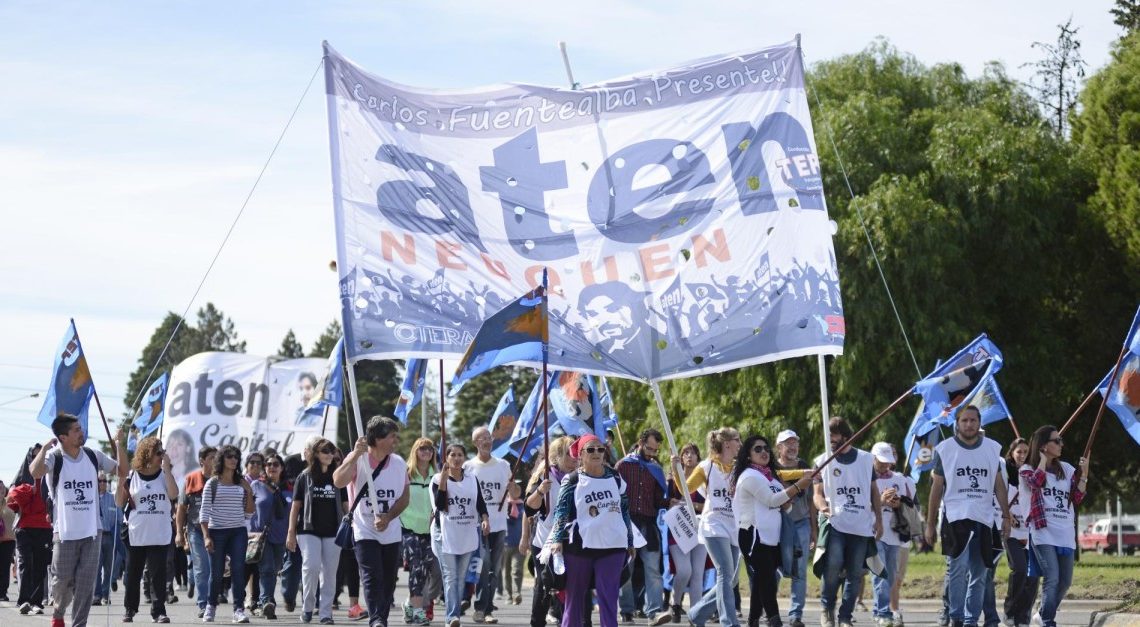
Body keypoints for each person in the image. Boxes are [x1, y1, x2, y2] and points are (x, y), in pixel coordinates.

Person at [31, 414, 126, 627]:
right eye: (76, 430)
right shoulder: (54, 458)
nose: (81, 432)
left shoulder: (93, 455)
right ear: (63, 437)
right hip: (64, 532)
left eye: (80, 428)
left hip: (93, 531)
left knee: (85, 584)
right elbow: (35, 472)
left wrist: (119, 445)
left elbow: (122, 471)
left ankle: (79, 624)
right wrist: (45, 448)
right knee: (62, 582)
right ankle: (58, 612)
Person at [924, 406, 1011, 627]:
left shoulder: (992, 449)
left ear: (979, 422)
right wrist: (930, 524)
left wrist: (1006, 516)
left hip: (984, 517)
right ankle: (956, 617)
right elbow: (936, 489)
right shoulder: (945, 449)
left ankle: (971, 619)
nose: (969, 424)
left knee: (980, 573)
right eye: (964, 420)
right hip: (956, 518)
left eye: (973, 420)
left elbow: (999, 485)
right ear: (957, 423)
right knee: (957, 569)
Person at [549, 433, 636, 627]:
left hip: (613, 546)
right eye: (591, 449)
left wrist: (630, 541)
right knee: (575, 599)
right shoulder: (572, 480)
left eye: (600, 449)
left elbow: (624, 510)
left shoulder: (615, 476)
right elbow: (561, 512)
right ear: (580, 454)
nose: (596, 453)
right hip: (580, 546)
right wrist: (557, 539)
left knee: (609, 599)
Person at [333, 416, 411, 627]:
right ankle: (376, 619)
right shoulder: (358, 459)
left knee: (387, 581)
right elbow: (338, 481)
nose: (396, 440)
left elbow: (404, 498)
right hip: (364, 530)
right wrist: (354, 455)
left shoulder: (398, 463)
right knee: (371, 576)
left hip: (391, 531)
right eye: (391, 436)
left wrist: (388, 517)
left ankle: (381, 618)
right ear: (376, 438)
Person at [734, 435, 814, 627]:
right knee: (768, 579)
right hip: (753, 535)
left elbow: (786, 508)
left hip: (772, 538)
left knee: (762, 581)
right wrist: (797, 486)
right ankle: (774, 620)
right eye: (758, 449)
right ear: (748, 456)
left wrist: (787, 502)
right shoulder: (749, 477)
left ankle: (753, 621)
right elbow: (771, 500)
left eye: (766, 448)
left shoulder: (771, 477)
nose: (764, 452)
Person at [813, 417, 882, 627]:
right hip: (835, 523)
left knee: (855, 572)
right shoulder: (822, 460)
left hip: (860, 524)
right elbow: (816, 494)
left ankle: (845, 616)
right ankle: (827, 608)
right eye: (827, 436)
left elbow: (873, 491)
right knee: (832, 567)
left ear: (845, 435)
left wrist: (878, 518)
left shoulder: (865, 459)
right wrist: (823, 507)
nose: (829, 440)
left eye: (832, 436)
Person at [1021, 426, 1087, 627]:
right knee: (1052, 577)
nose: (1061, 444)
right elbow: (1036, 482)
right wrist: (1041, 460)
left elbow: (1077, 497)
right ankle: (1047, 620)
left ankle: (1041, 614)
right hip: (1043, 532)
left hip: (1065, 531)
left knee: (1065, 581)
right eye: (1056, 441)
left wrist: (1083, 474)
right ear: (1043, 446)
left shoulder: (1066, 469)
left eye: (1061, 440)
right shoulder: (1027, 469)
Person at [118, 435, 179, 623]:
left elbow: (174, 494)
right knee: (133, 573)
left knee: (158, 575)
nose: (162, 456)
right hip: (137, 533)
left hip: (159, 532)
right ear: (147, 454)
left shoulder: (164, 475)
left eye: (163, 452)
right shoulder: (133, 476)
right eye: (158, 453)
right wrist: (121, 482)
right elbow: (120, 502)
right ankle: (130, 609)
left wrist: (167, 470)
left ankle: (159, 611)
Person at [616, 429, 673, 626]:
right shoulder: (622, 466)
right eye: (649, 448)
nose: (651, 453)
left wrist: (669, 502)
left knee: (653, 571)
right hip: (627, 524)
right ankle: (627, 610)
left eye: (655, 450)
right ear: (640, 442)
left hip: (648, 524)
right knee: (626, 569)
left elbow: (658, 501)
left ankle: (654, 612)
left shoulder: (655, 469)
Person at [287, 437, 347, 625]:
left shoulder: (338, 476)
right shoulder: (304, 476)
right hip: (307, 529)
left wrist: (351, 524)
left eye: (331, 452)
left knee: (329, 573)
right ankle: (307, 606)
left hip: (333, 530)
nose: (330, 455)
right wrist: (290, 532)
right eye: (325, 451)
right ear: (316, 455)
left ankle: (325, 613)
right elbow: (295, 507)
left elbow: (346, 504)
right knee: (311, 567)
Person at [686, 428, 741, 627]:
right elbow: (687, 489)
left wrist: (803, 474)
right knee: (725, 573)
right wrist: (676, 470)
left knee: (731, 580)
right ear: (727, 444)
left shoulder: (738, 467)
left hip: (733, 527)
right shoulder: (706, 466)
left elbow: (774, 474)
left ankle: (696, 614)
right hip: (713, 525)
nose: (740, 444)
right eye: (737, 440)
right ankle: (729, 622)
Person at [432, 443, 491, 627]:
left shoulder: (472, 479)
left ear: (464, 458)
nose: (456, 458)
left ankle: (454, 613)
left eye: (460, 455)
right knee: (450, 576)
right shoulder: (436, 479)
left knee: (460, 576)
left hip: (466, 533)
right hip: (445, 535)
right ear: (446, 458)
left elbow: (480, 503)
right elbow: (440, 506)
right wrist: (443, 482)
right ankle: (452, 617)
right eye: (452, 455)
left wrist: (485, 519)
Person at [522, 437, 576, 627]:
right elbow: (529, 508)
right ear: (558, 456)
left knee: (571, 585)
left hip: (571, 541)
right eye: (570, 454)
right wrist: (540, 492)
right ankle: (537, 623)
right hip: (545, 543)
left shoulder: (579, 477)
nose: (575, 459)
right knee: (545, 585)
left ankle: (567, 621)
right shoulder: (546, 476)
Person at [200, 444, 256, 624]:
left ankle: (238, 609)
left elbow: (249, 513)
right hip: (217, 532)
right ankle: (210, 605)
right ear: (221, 459)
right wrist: (207, 536)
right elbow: (204, 512)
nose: (233, 460)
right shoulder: (212, 483)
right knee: (216, 573)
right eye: (229, 456)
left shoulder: (241, 482)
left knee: (239, 570)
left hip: (238, 531)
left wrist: (249, 491)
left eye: (236, 457)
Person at [464, 426, 513, 625]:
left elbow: (515, 494)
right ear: (475, 443)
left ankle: (486, 608)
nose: (487, 440)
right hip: (476, 525)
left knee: (494, 569)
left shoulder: (503, 465)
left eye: (489, 437)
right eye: (482, 438)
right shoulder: (468, 467)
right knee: (483, 567)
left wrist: (514, 487)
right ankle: (479, 607)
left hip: (499, 524)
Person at [773, 430, 815, 627]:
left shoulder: (805, 467)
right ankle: (770, 611)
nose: (792, 447)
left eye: (794, 443)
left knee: (799, 571)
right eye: (787, 443)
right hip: (777, 524)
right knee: (774, 569)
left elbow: (811, 501)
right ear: (778, 447)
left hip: (801, 524)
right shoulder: (771, 469)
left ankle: (795, 615)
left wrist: (814, 529)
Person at [8, 444, 53, 615]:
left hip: (44, 528)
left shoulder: (50, 477)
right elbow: (12, 500)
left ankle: (36, 602)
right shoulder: (22, 478)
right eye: (34, 456)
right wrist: (29, 491)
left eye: (40, 456)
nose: (37, 459)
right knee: (26, 564)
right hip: (24, 528)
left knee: (41, 566)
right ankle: (24, 601)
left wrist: (33, 496)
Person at [402, 437, 441, 626]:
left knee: (429, 572)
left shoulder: (438, 476)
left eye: (430, 449)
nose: (426, 452)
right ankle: (419, 611)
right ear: (415, 451)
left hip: (430, 531)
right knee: (417, 568)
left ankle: (410, 604)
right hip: (408, 529)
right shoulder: (407, 473)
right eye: (422, 448)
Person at [176, 446, 218, 619]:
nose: (215, 460)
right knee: (202, 568)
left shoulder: (222, 480)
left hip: (217, 531)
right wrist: (179, 532)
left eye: (217, 457)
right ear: (202, 461)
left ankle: (211, 599)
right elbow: (181, 509)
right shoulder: (190, 480)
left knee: (215, 569)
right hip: (196, 531)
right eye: (211, 457)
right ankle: (204, 604)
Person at [869, 442, 908, 627]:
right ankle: (884, 612)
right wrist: (881, 502)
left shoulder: (899, 478)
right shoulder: (865, 477)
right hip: (873, 531)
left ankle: (878, 611)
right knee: (880, 572)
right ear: (873, 458)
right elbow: (860, 505)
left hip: (894, 533)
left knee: (891, 575)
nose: (886, 465)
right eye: (882, 461)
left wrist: (897, 502)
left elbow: (908, 504)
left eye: (889, 462)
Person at [666, 442, 706, 623]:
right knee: (684, 571)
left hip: (699, 528)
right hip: (679, 529)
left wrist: (697, 506)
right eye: (685, 453)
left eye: (693, 453)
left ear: (698, 457)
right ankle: (675, 602)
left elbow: (712, 503)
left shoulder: (704, 477)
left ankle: (695, 613)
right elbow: (665, 500)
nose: (689, 456)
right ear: (680, 457)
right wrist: (671, 502)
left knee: (698, 573)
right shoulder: (673, 478)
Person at [1002, 438, 1037, 627]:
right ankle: (1010, 611)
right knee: (1021, 570)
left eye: (1026, 452)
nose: (1022, 455)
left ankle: (1023, 616)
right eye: (1019, 452)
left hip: (1031, 532)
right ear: (1012, 453)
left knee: (1033, 576)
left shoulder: (1033, 475)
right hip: (1012, 532)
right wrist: (1006, 515)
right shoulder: (1003, 475)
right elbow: (996, 500)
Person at [252, 452, 290, 620]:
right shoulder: (256, 485)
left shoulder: (290, 487)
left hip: (282, 535)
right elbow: (247, 510)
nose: (272, 467)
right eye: (268, 464)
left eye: (275, 464)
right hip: (262, 535)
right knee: (266, 568)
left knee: (274, 570)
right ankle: (266, 601)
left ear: (281, 468)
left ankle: (266, 601)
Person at [886, 445, 916, 627]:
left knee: (898, 577)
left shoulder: (906, 481)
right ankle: (891, 610)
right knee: (888, 575)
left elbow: (913, 507)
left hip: (902, 535)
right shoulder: (872, 478)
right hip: (882, 535)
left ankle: (891, 607)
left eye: (893, 454)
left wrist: (901, 502)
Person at [501, 481, 525, 606]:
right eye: (512, 491)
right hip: (505, 543)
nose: (515, 493)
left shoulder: (523, 506)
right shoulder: (504, 505)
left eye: (517, 490)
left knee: (517, 570)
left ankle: (517, 593)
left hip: (519, 544)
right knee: (506, 571)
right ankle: (509, 595)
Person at [0, 480, 17, 602]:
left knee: (5, 567)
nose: (1, 490)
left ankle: (3, 592)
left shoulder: (10, 502)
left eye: (2, 488)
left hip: (8, 541)